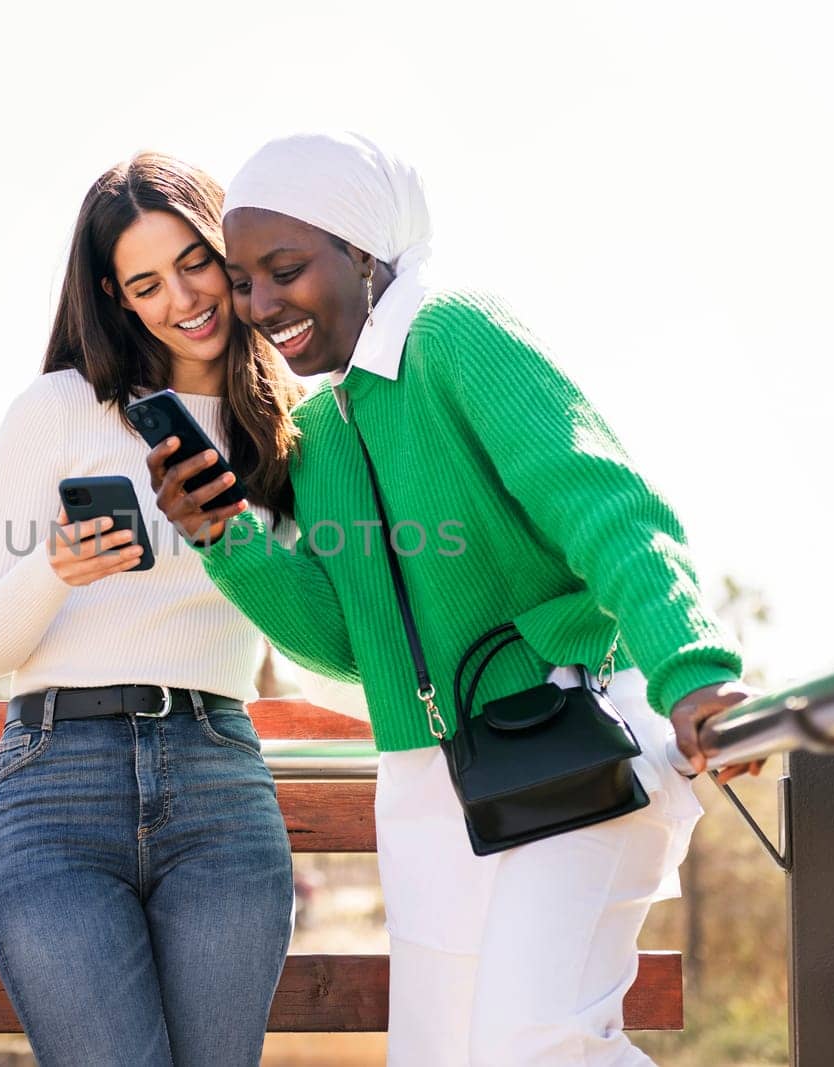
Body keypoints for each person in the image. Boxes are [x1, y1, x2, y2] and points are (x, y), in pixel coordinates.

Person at [149, 132, 762, 1067]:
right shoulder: (322, 425)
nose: (261, 305)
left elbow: (604, 505)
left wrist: (694, 668)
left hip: (573, 739)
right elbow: (357, 642)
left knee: (536, 1044)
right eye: (243, 280)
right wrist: (223, 537)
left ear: (361, 253)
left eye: (284, 269)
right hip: (430, 785)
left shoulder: (456, 335)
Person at [0, 152, 303, 1067]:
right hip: (58, 782)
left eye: (194, 262)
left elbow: (313, 634)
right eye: (146, 283)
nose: (184, 297)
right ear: (116, 296)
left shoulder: (293, 426)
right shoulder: (59, 408)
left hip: (220, 776)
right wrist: (56, 571)